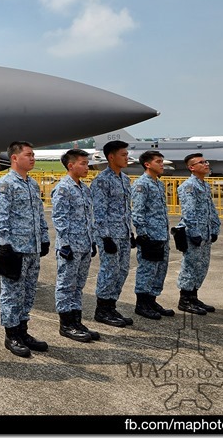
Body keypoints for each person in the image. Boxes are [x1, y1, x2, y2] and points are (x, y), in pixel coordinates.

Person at [0, 141, 50, 358]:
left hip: (33, 248)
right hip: (14, 249)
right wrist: (5, 244)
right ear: (14, 158)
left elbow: (40, 214)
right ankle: (11, 334)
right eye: (28, 155)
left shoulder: (32, 184)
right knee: (11, 293)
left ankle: (23, 331)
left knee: (28, 292)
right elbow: (0, 217)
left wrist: (43, 238)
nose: (33, 158)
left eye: (33, 154)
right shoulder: (5, 184)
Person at [51, 149, 99, 342]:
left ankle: (76, 321)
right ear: (71, 165)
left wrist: (92, 240)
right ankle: (66, 324)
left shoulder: (84, 188)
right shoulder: (63, 188)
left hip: (84, 245)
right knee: (65, 285)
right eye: (83, 164)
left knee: (78, 286)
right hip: (70, 247)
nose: (87, 167)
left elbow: (89, 218)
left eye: (87, 164)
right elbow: (59, 218)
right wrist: (65, 245)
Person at [91, 139, 134, 327]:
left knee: (122, 271)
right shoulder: (101, 181)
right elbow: (98, 212)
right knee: (109, 271)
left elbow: (126, 209)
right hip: (109, 235)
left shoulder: (125, 179)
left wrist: (130, 232)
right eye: (123, 155)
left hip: (123, 233)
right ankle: (102, 310)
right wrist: (105, 237)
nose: (127, 158)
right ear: (111, 157)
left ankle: (111, 306)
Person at [131, 150, 174, 320]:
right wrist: (142, 234)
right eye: (158, 161)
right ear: (147, 164)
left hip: (161, 235)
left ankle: (152, 300)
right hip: (150, 236)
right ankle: (142, 304)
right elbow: (138, 212)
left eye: (162, 161)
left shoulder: (158, 183)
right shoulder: (142, 184)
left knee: (160, 270)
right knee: (147, 270)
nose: (162, 164)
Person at [176, 153, 221, 315]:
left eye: (206, 161)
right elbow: (188, 212)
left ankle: (193, 296)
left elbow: (211, 209)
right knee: (191, 266)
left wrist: (215, 228)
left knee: (202, 266)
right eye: (201, 162)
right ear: (191, 167)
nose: (206, 164)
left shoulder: (204, 185)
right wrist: (194, 232)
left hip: (206, 232)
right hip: (193, 234)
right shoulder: (189, 186)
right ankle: (185, 299)